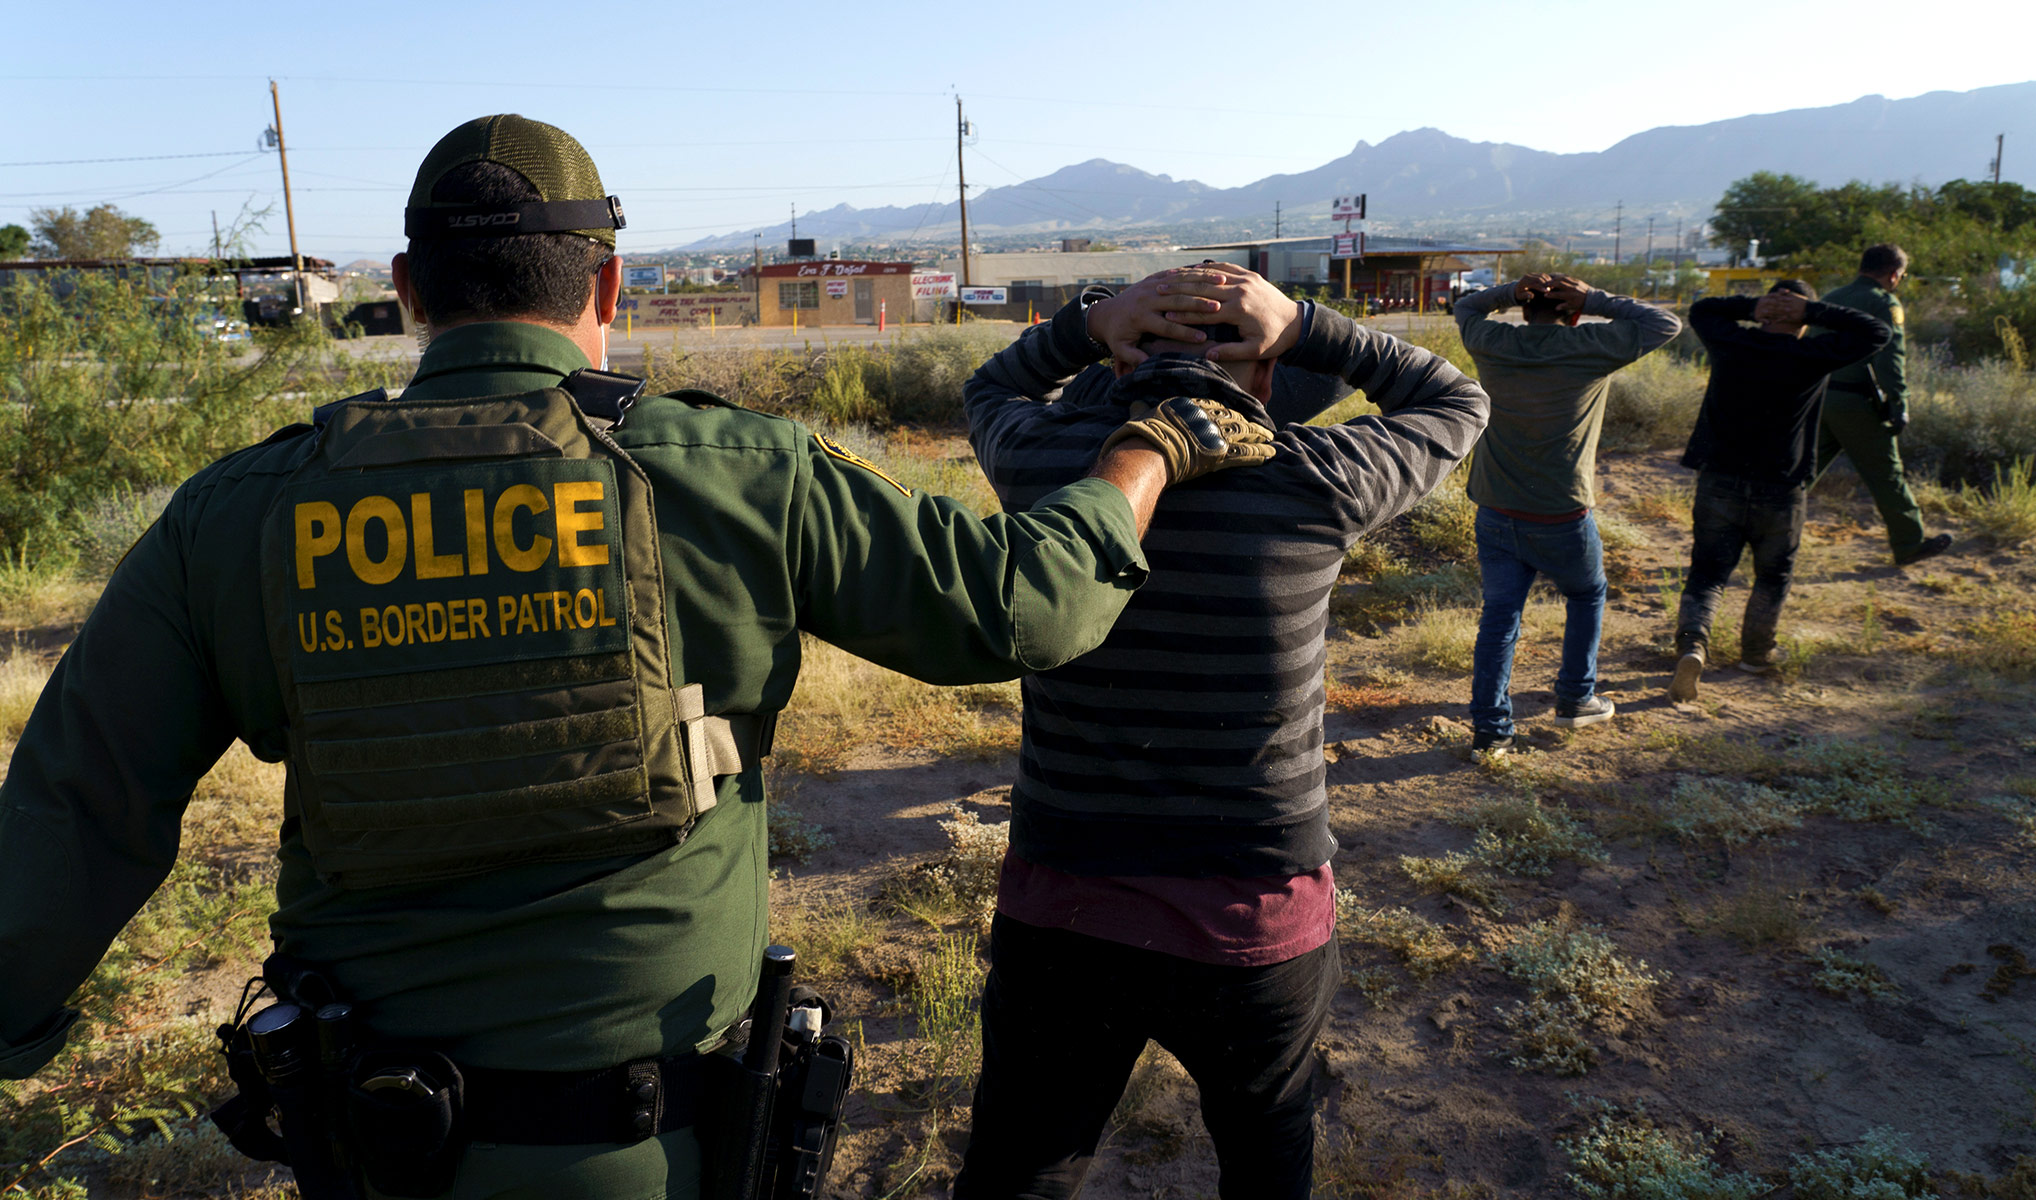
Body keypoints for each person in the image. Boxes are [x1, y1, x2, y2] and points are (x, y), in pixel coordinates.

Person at [0, 116, 1276, 1199]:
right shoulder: (736, 471)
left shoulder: (236, 514)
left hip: (380, 1140)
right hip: (666, 1144)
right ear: (607, 287)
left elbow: (75, 811)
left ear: (407, 288)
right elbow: (1020, 605)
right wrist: (1147, 451)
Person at [952, 263, 1488, 1199]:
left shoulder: (1042, 467)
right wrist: (1307, 324)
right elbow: (1455, 399)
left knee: (1021, 1168)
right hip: (1254, 908)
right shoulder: (1316, 478)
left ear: (1120, 362)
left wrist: (1089, 322)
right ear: (1270, 372)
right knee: (1264, 1159)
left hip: (1064, 896)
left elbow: (989, 388)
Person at [1455, 271, 1682, 759]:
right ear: (1574, 313)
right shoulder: (1591, 345)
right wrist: (1595, 298)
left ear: (1523, 309)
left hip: (1496, 506)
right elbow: (1665, 324)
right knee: (1586, 594)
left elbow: (1466, 307)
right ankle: (1577, 698)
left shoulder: (1494, 342)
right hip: (1562, 512)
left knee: (1500, 619)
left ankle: (1491, 732)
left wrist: (1505, 292)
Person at [1669, 282, 1890, 701]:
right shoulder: (1813, 355)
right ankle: (1756, 654)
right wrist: (1814, 312)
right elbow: (1877, 332)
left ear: (1766, 312)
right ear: (1803, 317)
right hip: (1782, 487)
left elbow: (1703, 309)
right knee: (1773, 575)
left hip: (1720, 480)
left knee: (1708, 573)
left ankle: (1693, 645)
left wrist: (1753, 306)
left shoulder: (1732, 343)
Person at [1814, 243, 1953, 567]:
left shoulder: (1831, 297)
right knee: (1886, 474)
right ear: (1893, 275)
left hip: (1819, 396)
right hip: (1857, 401)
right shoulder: (1883, 303)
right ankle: (1909, 543)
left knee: (1802, 470)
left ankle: (1760, 532)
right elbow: (1890, 358)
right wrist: (1898, 402)